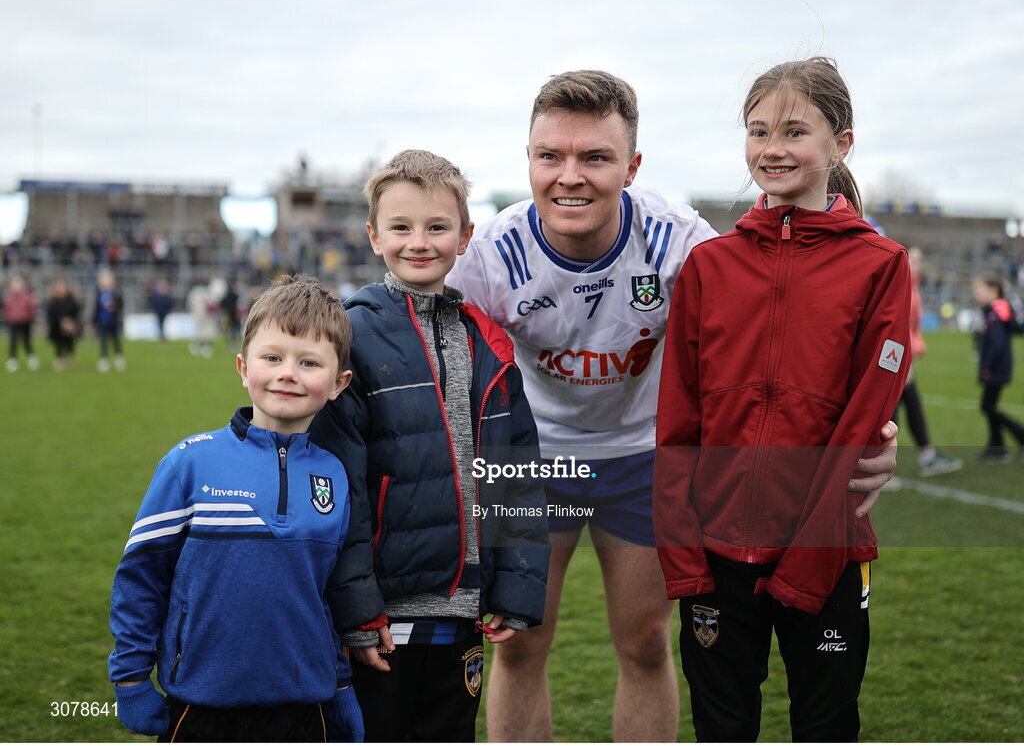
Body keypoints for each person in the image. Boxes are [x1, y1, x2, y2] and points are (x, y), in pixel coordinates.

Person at [447, 69, 901, 743]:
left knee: (645, 643)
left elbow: (782, 335)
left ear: (631, 166)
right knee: (517, 644)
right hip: (532, 463)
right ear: (530, 160)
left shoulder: (679, 242)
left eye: (595, 157)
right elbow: (426, 351)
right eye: (551, 156)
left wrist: (873, 430)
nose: (570, 175)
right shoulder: (491, 254)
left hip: (641, 458)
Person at [654, 57, 912, 741]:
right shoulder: (710, 265)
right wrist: (684, 554)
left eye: (794, 130)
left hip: (824, 554)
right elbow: (678, 418)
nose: (771, 148)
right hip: (716, 560)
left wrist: (807, 561)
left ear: (841, 142)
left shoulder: (880, 265)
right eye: (757, 130)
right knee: (720, 727)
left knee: (826, 726)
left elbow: (862, 423)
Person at [309, 149, 549, 742]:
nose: (420, 241)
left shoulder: (488, 342)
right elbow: (340, 490)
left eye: (438, 227)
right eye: (401, 226)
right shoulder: (353, 337)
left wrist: (515, 586)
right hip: (384, 619)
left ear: (465, 236)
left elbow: (517, 473)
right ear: (373, 236)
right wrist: (358, 609)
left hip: (464, 612)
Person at [108, 275, 385, 742]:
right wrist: (131, 678)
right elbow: (140, 577)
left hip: (304, 705)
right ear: (242, 366)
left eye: (309, 362)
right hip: (201, 702)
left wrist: (339, 686)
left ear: (339, 383)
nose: (288, 373)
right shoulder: (189, 463)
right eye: (272, 357)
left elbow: (323, 596)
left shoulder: (334, 475)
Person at [890, 247, 963, 477]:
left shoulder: (912, 286)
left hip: (903, 354)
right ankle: (881, 467)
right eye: (915, 259)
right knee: (892, 409)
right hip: (896, 355)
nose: (919, 263)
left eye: (921, 259)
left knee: (907, 404)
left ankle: (926, 456)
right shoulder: (899, 286)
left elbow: (911, 326)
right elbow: (895, 324)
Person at [972, 277, 1024, 461]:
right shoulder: (995, 309)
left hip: (996, 367)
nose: (975, 295)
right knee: (989, 406)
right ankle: (997, 448)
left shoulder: (996, 310)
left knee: (988, 406)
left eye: (979, 291)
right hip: (998, 366)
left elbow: (997, 342)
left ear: (993, 290)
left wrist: (987, 367)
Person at [3, 274, 39, 372]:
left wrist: (30, 318)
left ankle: (31, 358)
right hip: (13, 322)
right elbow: (6, 308)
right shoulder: (8, 297)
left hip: (25, 322)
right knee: (13, 341)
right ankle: (12, 360)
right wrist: (9, 317)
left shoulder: (27, 296)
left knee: (26, 341)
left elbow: (32, 308)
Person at [92, 269, 124, 372]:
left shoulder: (116, 292)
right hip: (102, 321)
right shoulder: (99, 293)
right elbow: (96, 308)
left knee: (115, 340)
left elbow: (121, 304)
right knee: (103, 340)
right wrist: (93, 320)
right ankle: (104, 359)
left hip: (113, 320)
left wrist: (115, 307)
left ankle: (119, 358)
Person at [46, 277, 81, 371]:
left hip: (70, 326)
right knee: (59, 343)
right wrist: (61, 322)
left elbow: (76, 312)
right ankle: (58, 359)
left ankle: (70, 356)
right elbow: (51, 315)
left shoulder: (71, 300)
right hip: (57, 327)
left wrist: (71, 323)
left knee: (69, 341)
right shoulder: (53, 301)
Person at [149, 278, 174, 343]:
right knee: (160, 324)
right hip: (159, 311)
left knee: (161, 324)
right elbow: (154, 302)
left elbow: (169, 303)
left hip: (163, 312)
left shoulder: (165, 294)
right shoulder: (158, 294)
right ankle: (161, 336)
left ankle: (162, 336)